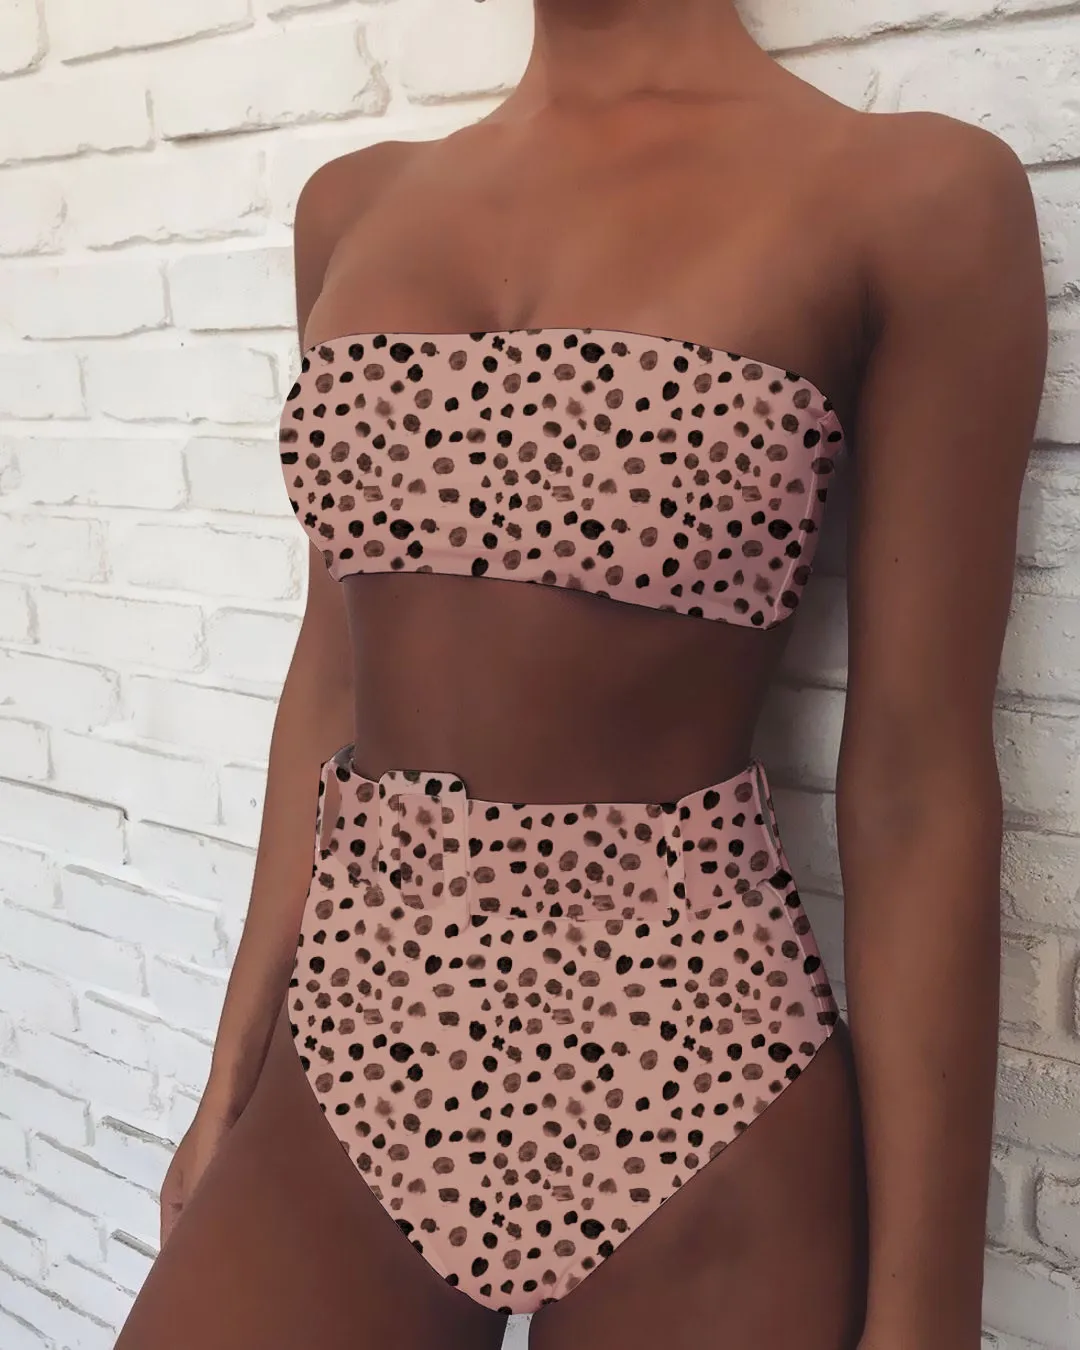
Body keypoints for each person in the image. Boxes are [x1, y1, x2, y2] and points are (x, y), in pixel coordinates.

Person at [111, 2, 1048, 1348]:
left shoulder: (910, 195)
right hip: (365, 1023)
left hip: (693, 1060)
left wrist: (925, 1318)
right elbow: (335, 670)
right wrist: (229, 1078)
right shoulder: (353, 208)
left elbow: (916, 784)